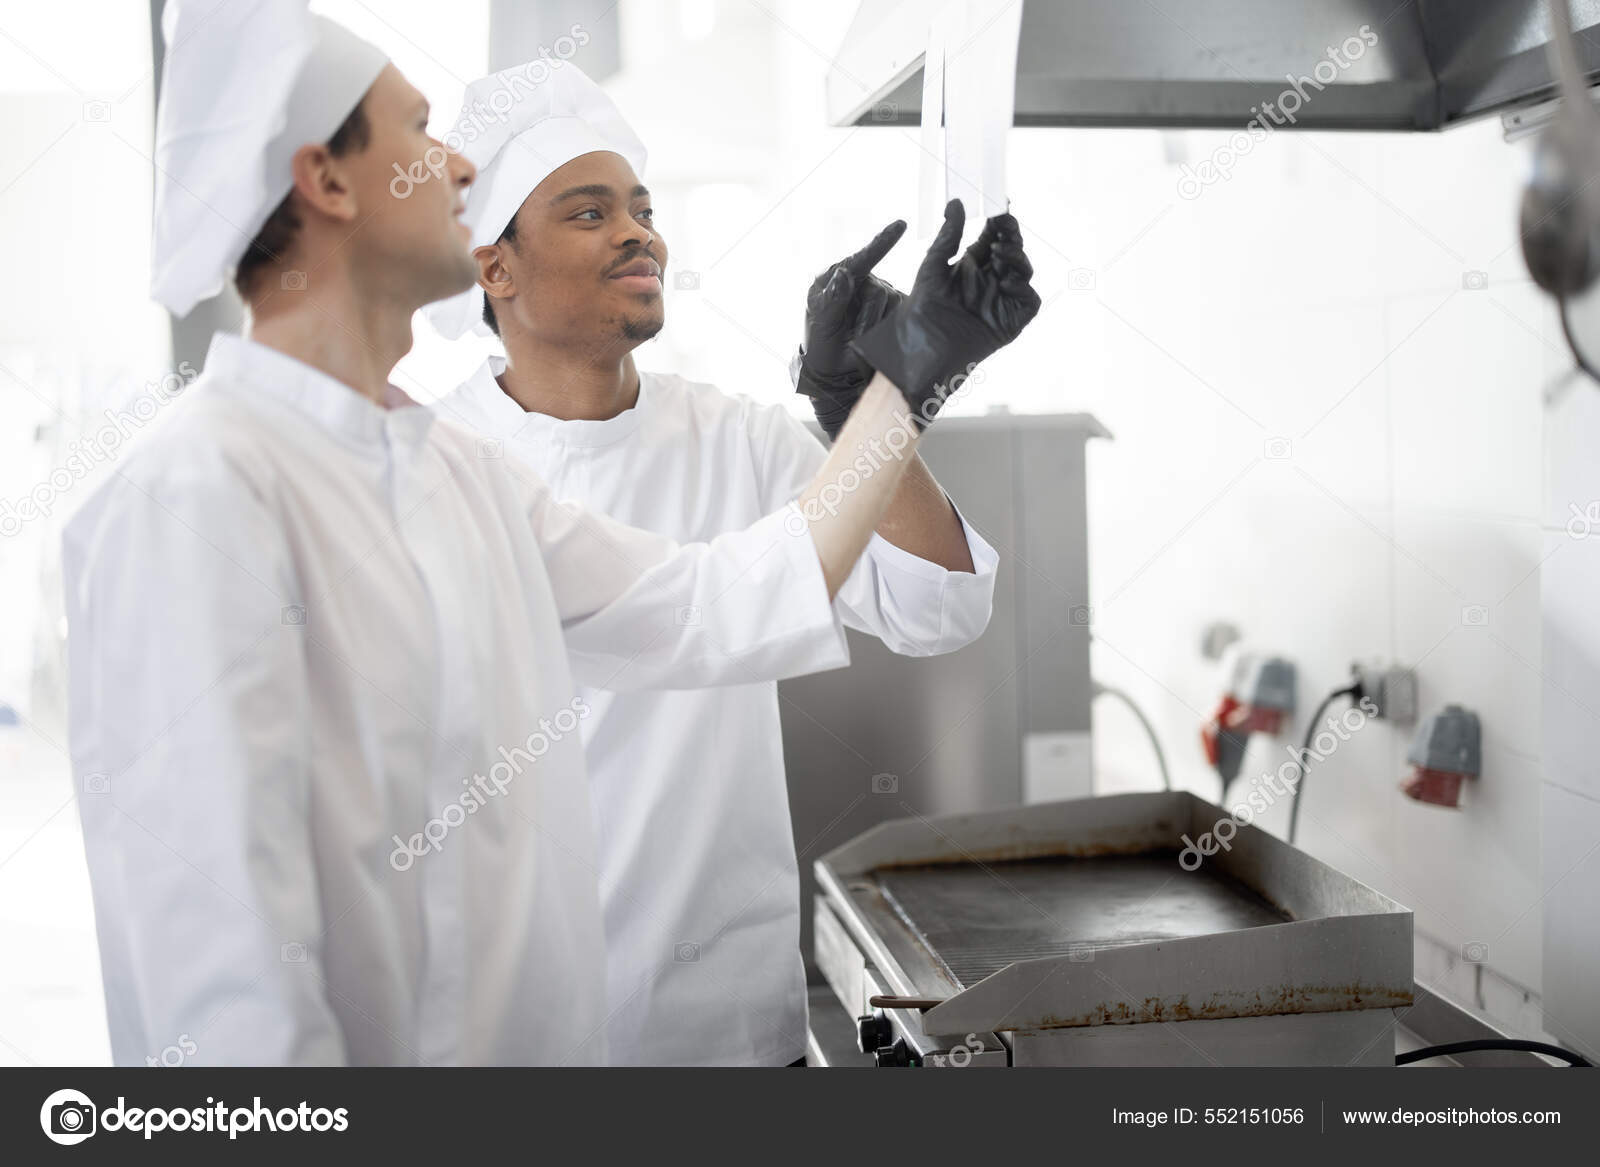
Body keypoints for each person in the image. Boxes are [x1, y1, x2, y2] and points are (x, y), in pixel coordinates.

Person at [60, 1, 1041, 1066]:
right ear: (330, 181)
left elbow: (709, 608)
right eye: (421, 133)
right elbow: (222, 976)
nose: (458, 168)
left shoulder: (451, 474)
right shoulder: (190, 495)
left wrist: (891, 393)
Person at [424, 62, 1004, 1067]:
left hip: (724, 1029)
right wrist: (889, 400)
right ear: (494, 267)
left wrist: (855, 406)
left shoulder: (736, 442)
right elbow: (709, 609)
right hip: (504, 1039)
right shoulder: (434, 466)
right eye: (587, 211)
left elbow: (935, 609)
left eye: (642, 208)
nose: (637, 230)